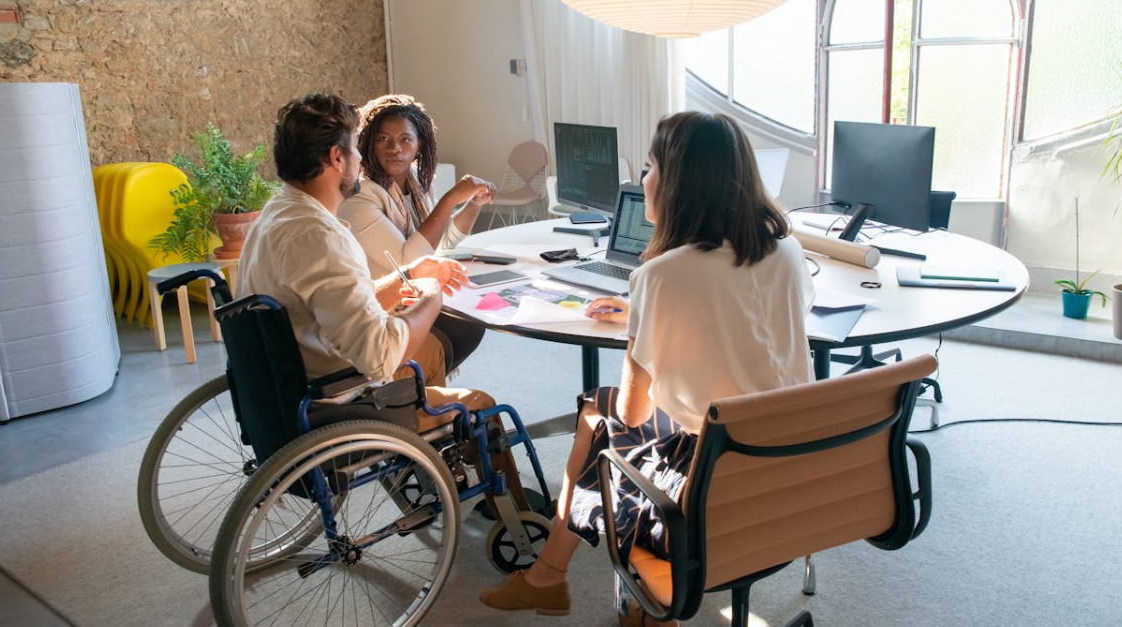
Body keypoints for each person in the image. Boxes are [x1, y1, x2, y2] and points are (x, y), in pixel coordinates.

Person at [479, 112, 815, 627]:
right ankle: (559, 579)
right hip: (790, 461)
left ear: (679, 182)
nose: (642, 181)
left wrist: (645, 317)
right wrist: (649, 314)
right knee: (599, 412)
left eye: (650, 167)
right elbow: (753, 328)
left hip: (712, 477)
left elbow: (636, 411)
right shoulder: (786, 249)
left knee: (601, 417)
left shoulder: (659, 275)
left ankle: (564, 581)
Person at [236, 93, 527, 505]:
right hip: (342, 399)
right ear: (338, 157)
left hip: (286, 384)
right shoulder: (323, 236)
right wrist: (429, 294)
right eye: (358, 147)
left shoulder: (277, 214)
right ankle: (514, 518)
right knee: (485, 406)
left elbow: (332, 301)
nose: (361, 159)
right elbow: (379, 355)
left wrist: (407, 276)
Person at [339, 93, 494, 374]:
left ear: (420, 145)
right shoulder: (360, 196)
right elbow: (408, 260)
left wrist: (473, 204)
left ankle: (420, 387)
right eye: (383, 139)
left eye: (405, 140)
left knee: (471, 315)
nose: (394, 148)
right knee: (461, 321)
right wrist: (450, 200)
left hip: (409, 298)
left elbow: (440, 241)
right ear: (369, 142)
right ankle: (410, 385)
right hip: (381, 311)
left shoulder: (416, 183)